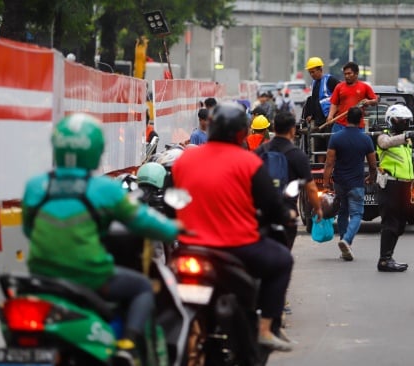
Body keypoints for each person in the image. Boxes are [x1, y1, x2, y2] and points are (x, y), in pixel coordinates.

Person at [22, 113, 180, 364]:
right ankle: (127, 346)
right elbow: (142, 220)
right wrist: (175, 230)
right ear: (96, 150)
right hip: (89, 276)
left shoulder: (35, 186)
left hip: (42, 276)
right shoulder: (103, 188)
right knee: (142, 288)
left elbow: (29, 229)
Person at [173, 102, 295, 352]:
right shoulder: (249, 162)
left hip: (188, 246)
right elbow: (272, 205)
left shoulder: (185, 158)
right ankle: (264, 330)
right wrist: (287, 214)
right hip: (237, 248)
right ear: (242, 133)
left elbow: (173, 195)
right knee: (283, 260)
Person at [255, 111, 323, 250]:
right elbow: (310, 187)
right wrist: (317, 208)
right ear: (293, 130)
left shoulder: (260, 151)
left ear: (273, 128)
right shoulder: (297, 155)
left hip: (261, 212)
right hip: (286, 213)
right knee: (283, 254)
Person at [375, 104, 414, 272]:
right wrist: (406, 136)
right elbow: (386, 144)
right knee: (390, 223)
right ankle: (384, 260)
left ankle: (389, 256)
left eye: (406, 121)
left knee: (400, 224)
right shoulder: (382, 136)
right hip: (390, 185)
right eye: (401, 120)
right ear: (391, 121)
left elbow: (413, 163)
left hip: (404, 186)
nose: (404, 123)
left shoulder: (406, 142)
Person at [323, 107, 377, 261]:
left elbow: (329, 163)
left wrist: (326, 183)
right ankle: (346, 241)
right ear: (361, 120)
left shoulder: (336, 138)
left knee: (343, 213)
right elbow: (373, 164)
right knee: (357, 214)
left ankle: (345, 247)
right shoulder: (366, 139)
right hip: (356, 184)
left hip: (339, 182)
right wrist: (371, 177)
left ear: (346, 119)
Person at [304, 57, 341, 162]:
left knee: (329, 144)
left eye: (313, 72)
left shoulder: (330, 80)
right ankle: (321, 167)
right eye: (310, 72)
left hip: (330, 119)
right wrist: (311, 115)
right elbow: (315, 100)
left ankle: (330, 166)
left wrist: (333, 113)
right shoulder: (314, 83)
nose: (312, 74)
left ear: (320, 70)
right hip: (319, 121)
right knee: (319, 145)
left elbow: (341, 94)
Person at [326, 62, 378, 133]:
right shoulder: (339, 87)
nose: (347, 76)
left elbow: (375, 101)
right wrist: (330, 116)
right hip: (340, 124)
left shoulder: (365, 87)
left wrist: (369, 102)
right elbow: (334, 104)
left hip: (358, 125)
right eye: (345, 74)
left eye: (349, 73)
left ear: (356, 74)